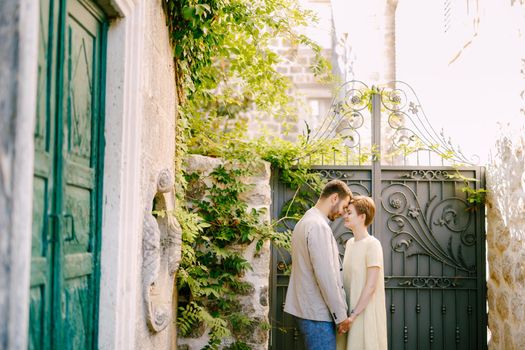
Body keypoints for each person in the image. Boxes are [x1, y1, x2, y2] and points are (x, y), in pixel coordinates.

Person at [284, 180, 353, 350]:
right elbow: (326, 276)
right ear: (334, 198)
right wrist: (341, 316)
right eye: (344, 207)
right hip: (317, 315)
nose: (343, 213)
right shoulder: (318, 226)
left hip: (307, 311)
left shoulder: (304, 221)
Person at [336, 195, 387, 350]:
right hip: (348, 315)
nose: (344, 216)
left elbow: (371, 286)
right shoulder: (350, 244)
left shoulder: (373, 245)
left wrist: (353, 316)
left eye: (349, 212)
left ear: (362, 216)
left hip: (363, 314)